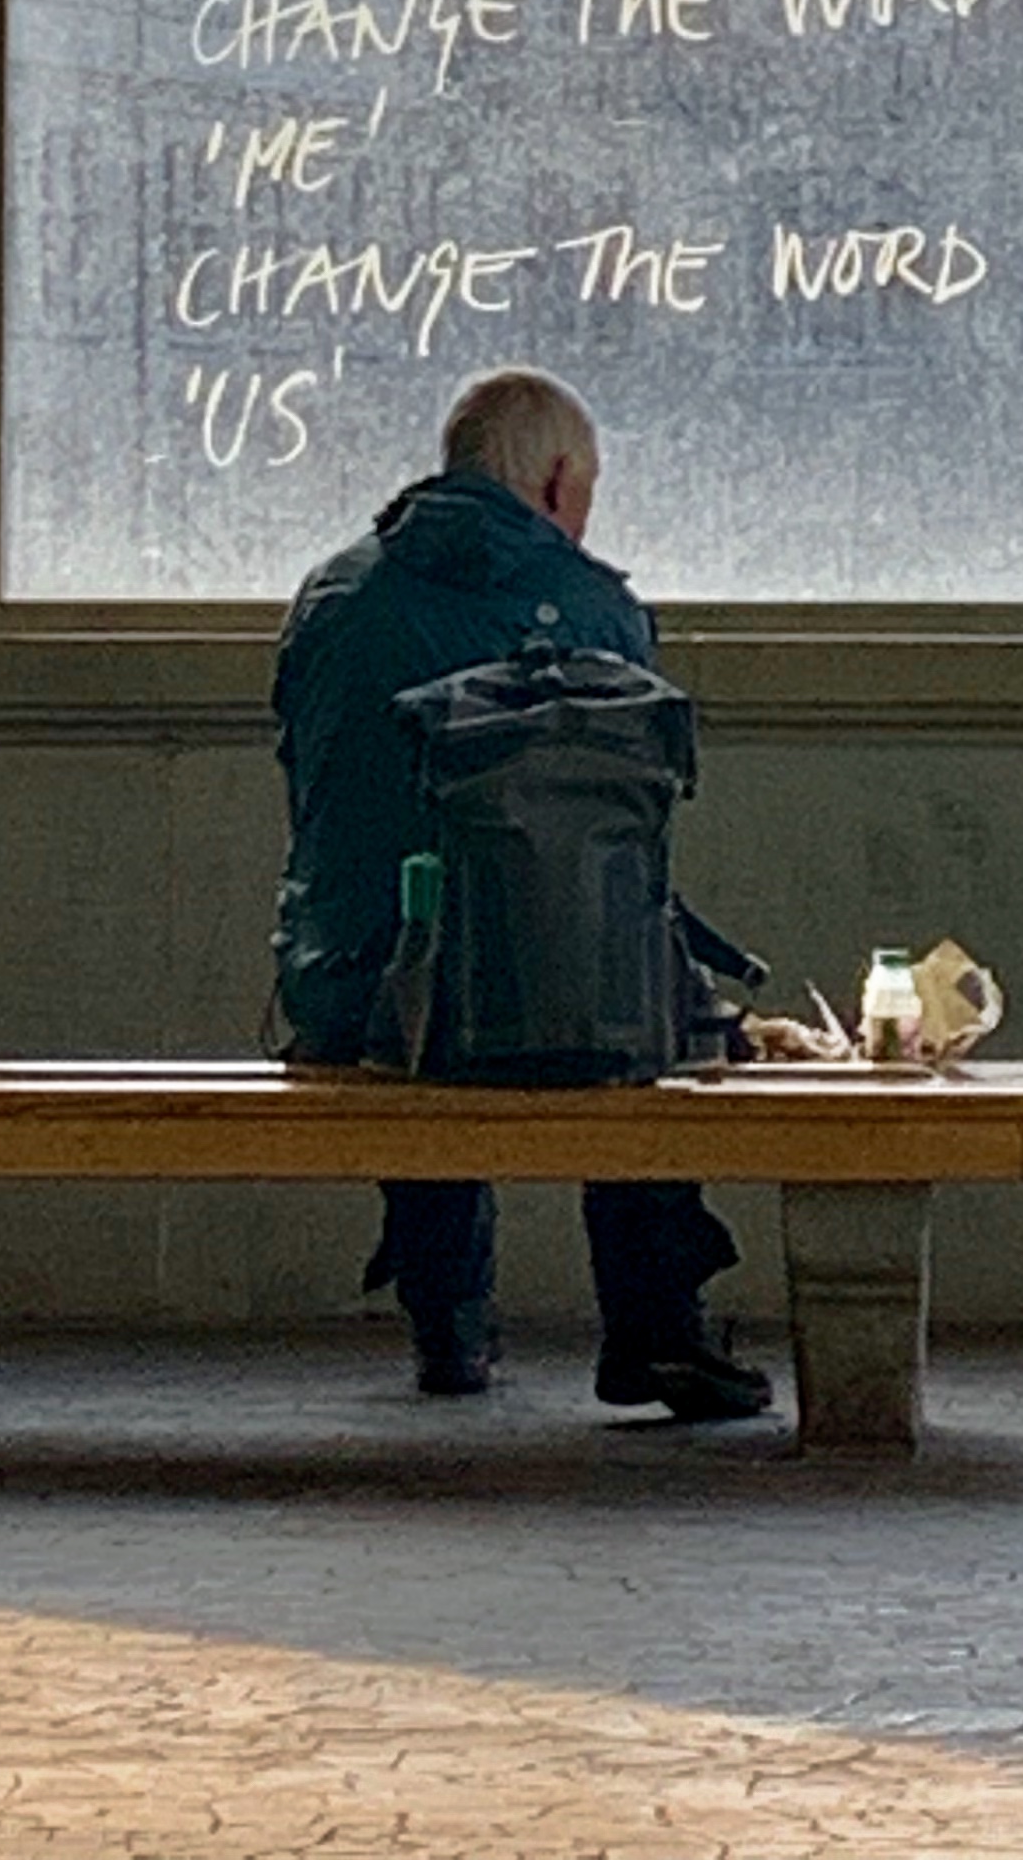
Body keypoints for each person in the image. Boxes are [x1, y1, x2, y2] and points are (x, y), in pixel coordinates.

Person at [271, 366, 773, 1420]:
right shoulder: (592, 610)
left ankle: (447, 1323)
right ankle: (656, 1328)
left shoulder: (332, 594)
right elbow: (627, 839)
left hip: (344, 992)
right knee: (622, 999)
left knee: (419, 981)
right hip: (542, 1006)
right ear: (553, 482)